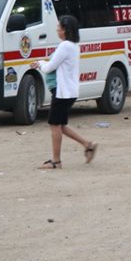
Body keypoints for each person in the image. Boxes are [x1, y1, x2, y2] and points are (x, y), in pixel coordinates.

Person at [29, 14, 98, 169]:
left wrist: (39, 63)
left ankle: (56, 161)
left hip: (63, 92)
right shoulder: (72, 46)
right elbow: (54, 64)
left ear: (65, 30)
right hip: (69, 91)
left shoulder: (65, 46)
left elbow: (49, 67)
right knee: (60, 125)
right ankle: (88, 144)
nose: (57, 30)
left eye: (59, 27)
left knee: (54, 125)